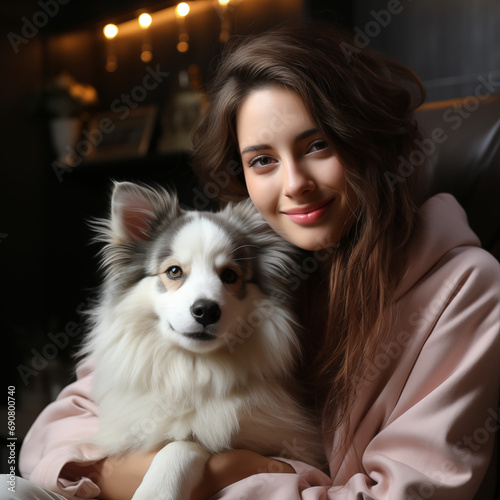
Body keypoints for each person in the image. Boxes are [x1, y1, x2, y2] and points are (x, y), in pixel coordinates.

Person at [14, 22, 500, 500]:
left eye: (317, 145)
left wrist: (226, 472)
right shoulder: (264, 272)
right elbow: (55, 434)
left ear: (367, 140)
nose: (294, 185)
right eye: (262, 160)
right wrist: (149, 471)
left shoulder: (464, 290)